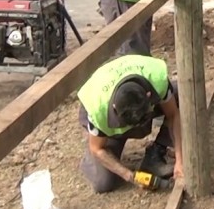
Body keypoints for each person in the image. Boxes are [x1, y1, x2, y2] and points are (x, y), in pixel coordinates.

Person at [77, 55, 182, 193]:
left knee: (183, 95)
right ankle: (90, 160)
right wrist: (130, 176)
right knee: (103, 183)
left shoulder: (156, 80)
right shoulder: (98, 110)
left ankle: (157, 150)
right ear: (114, 108)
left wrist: (180, 160)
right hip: (102, 111)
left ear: (148, 95)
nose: (137, 128)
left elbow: (173, 115)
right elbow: (97, 149)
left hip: (144, 94)